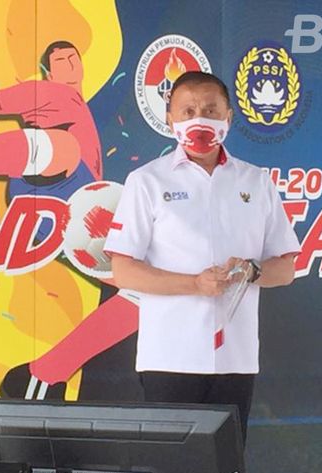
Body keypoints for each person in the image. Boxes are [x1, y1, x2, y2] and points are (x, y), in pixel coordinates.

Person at [0, 41, 140, 401]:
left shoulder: (80, 105)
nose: (70, 64)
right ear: (48, 72)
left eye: (73, 58)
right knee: (62, 149)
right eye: (60, 60)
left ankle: (43, 373)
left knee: (144, 290)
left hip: (75, 217)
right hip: (49, 187)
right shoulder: (45, 93)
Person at [104, 71, 300, 441]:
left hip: (236, 358)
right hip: (169, 358)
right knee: (170, 466)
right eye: (188, 111)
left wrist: (252, 271)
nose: (200, 120)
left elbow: (286, 268)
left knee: (227, 463)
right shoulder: (146, 181)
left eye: (211, 110)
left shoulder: (256, 181)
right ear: (170, 119)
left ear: (229, 117)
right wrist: (194, 284)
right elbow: (124, 270)